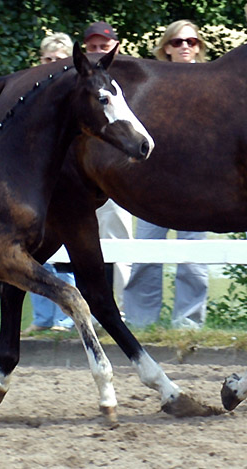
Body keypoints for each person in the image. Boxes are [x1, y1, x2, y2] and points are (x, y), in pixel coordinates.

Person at [124, 20, 209, 329]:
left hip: (199, 186)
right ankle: (139, 324)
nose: (185, 46)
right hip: (156, 184)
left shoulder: (214, 85)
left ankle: (187, 324)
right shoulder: (152, 84)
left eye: (192, 41)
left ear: (199, 47)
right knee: (145, 257)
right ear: (166, 49)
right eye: (177, 42)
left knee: (193, 261)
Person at [25, 33, 76, 333]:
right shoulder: (29, 95)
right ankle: (42, 318)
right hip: (36, 185)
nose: (52, 65)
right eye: (48, 60)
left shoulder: (77, 97)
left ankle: (66, 317)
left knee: (67, 251)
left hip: (66, 182)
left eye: (59, 60)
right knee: (34, 249)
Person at [84, 21, 133, 311]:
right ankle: (86, 309)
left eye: (103, 46)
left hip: (116, 177)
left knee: (119, 244)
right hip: (86, 179)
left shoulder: (124, 85)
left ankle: (123, 310)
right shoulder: (79, 86)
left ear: (115, 48)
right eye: (92, 47)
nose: (98, 51)